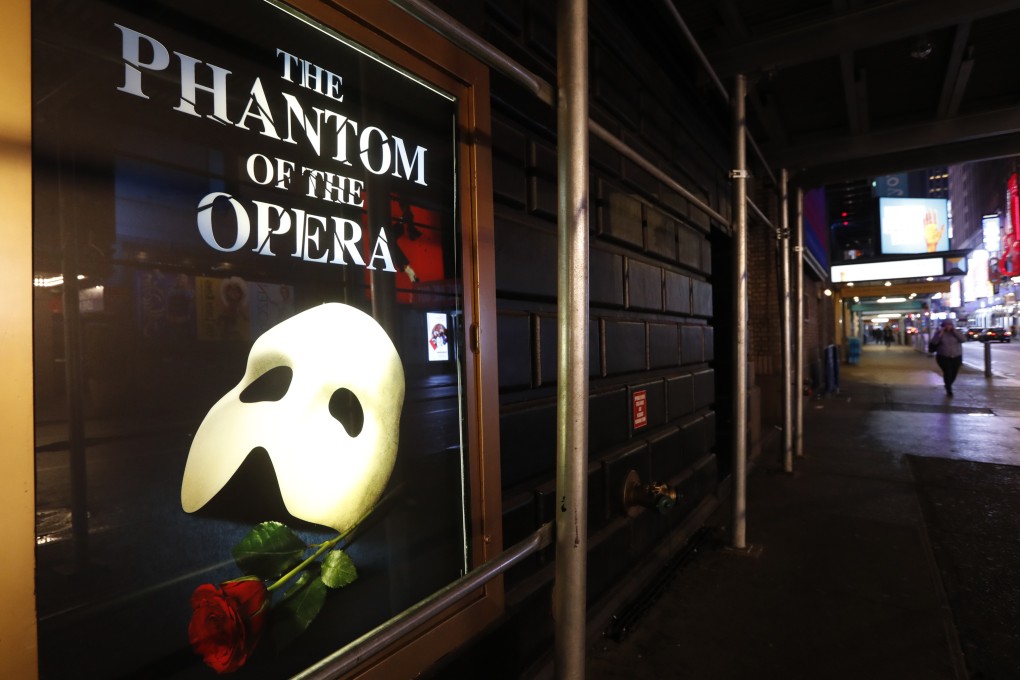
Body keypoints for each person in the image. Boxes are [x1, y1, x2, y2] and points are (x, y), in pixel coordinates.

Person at [929, 319, 966, 397]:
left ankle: (948, 384)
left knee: (954, 373)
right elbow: (934, 342)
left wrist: (954, 332)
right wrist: (940, 334)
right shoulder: (939, 333)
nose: (948, 326)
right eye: (946, 325)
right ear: (943, 326)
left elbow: (963, 339)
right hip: (943, 356)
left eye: (950, 325)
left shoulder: (957, 332)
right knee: (947, 372)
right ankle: (949, 389)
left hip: (956, 356)